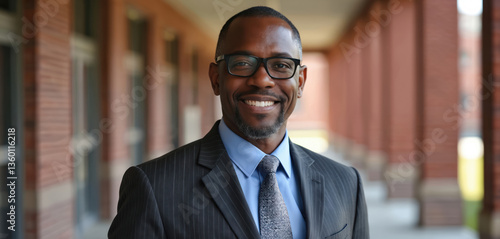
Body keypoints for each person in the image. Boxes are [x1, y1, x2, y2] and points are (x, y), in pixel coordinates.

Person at [108, 6, 369, 239]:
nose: (262, 80)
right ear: (216, 78)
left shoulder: (346, 183)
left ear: (300, 82)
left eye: (280, 65)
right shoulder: (154, 187)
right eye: (243, 63)